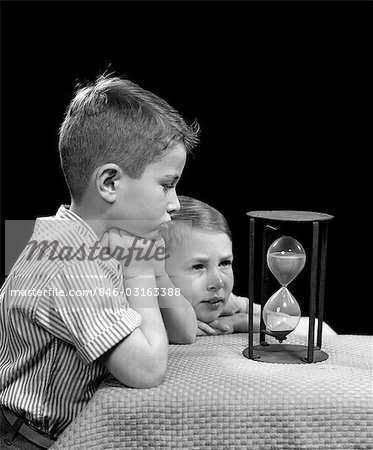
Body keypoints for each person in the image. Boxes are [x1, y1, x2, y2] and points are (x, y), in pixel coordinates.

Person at [0, 75, 199, 448]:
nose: (175, 203)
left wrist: (153, 270)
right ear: (110, 182)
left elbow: (184, 332)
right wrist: (141, 273)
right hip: (26, 440)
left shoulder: (102, 243)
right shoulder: (71, 262)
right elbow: (147, 370)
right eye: (166, 184)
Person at [162, 196, 337, 337]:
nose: (218, 282)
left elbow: (283, 319)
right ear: (158, 270)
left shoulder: (224, 300)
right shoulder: (145, 306)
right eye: (198, 266)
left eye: (224, 263)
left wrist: (240, 321)